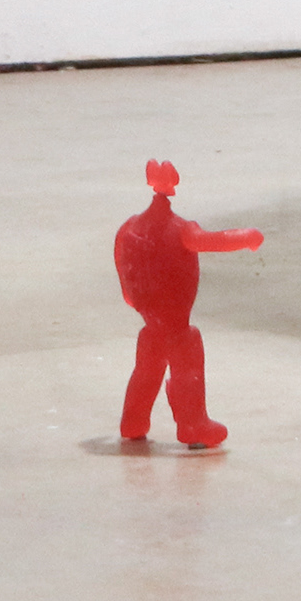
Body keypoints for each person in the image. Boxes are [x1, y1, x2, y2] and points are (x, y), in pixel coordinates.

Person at [113, 161, 263, 449]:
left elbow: (122, 265)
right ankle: (193, 424)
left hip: (150, 320)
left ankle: (133, 421)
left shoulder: (130, 228)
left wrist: (135, 300)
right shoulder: (182, 229)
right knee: (187, 367)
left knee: (146, 371)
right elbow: (211, 241)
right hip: (175, 322)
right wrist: (246, 237)